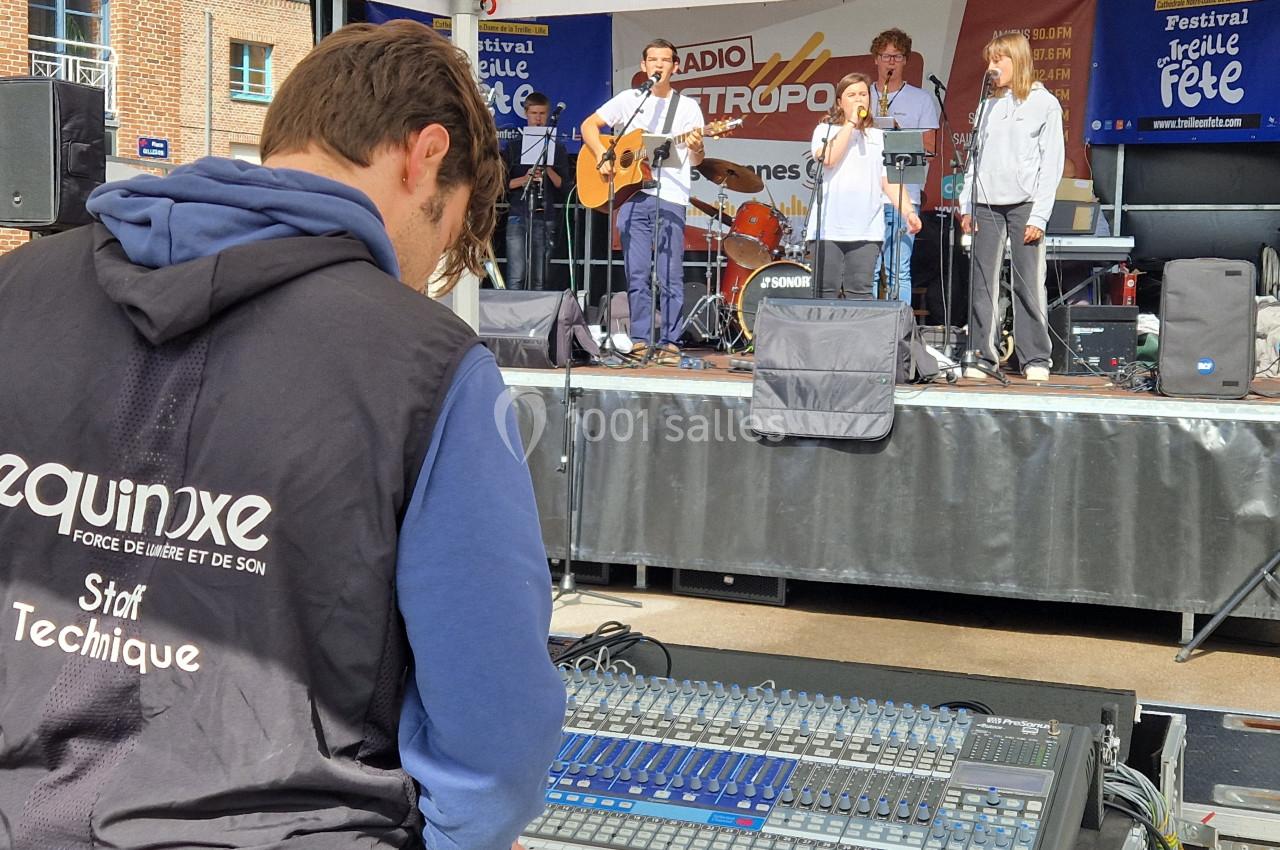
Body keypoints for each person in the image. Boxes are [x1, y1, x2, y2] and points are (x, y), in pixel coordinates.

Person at [0, 20, 564, 850]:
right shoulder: (429, 363)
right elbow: (493, 727)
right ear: (425, 155)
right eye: (443, 232)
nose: (421, 275)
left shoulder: (18, 290)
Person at [581, 38, 704, 360]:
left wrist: (698, 146)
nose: (659, 65)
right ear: (643, 66)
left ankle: (671, 342)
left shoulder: (688, 108)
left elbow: (697, 160)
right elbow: (588, 126)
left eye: (665, 60)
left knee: (670, 275)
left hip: (672, 195)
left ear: (675, 67)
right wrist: (602, 155)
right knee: (636, 274)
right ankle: (639, 339)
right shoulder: (629, 100)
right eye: (653, 60)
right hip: (633, 196)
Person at [958, 31, 1065, 382]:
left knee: (1029, 282)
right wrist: (965, 204)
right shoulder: (987, 105)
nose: (991, 67)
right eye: (989, 60)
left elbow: (1052, 164)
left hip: (1025, 204)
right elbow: (974, 160)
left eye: (998, 60)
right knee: (982, 283)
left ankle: (1035, 356)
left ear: (1016, 60)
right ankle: (981, 355)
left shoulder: (1044, 102)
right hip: (985, 202)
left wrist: (1040, 214)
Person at [806, 72, 922, 300]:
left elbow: (889, 180)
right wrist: (849, 124)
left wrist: (908, 211)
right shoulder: (825, 131)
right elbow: (828, 158)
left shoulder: (878, 137)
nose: (859, 99)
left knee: (859, 293)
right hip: (828, 228)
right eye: (852, 95)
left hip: (866, 229)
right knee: (824, 294)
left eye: (863, 94)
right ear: (840, 102)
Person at [868, 28, 940, 305]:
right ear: (876, 59)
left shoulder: (920, 99)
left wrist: (900, 134)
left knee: (899, 270)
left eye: (897, 56)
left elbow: (930, 149)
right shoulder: (864, 96)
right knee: (870, 271)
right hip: (869, 194)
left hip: (904, 195)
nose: (890, 62)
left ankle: (901, 333)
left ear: (905, 60)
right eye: (885, 56)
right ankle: (867, 329)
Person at [503, 90, 571, 290]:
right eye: (534, 113)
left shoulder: (556, 148)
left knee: (540, 278)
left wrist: (547, 167)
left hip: (545, 215)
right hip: (518, 214)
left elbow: (565, 186)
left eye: (542, 114)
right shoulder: (514, 147)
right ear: (526, 114)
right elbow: (501, 184)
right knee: (516, 275)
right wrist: (524, 180)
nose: (538, 119)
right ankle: (511, 319)